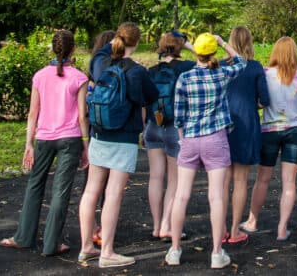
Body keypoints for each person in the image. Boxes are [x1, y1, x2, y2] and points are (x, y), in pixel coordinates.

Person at [0, 30, 89, 257]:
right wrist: (86, 144)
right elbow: (81, 116)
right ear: (73, 49)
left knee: (35, 185)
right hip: (70, 138)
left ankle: (23, 237)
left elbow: (32, 113)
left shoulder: (40, 76)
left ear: (52, 48)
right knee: (61, 190)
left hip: (44, 138)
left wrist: (28, 143)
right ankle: (51, 244)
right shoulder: (79, 78)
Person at [78, 22, 158, 269]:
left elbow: (99, 55)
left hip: (98, 134)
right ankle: (108, 252)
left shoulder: (101, 63)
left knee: (91, 190)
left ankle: (86, 247)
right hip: (123, 137)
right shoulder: (137, 71)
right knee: (113, 193)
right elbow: (151, 96)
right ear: (137, 42)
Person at [165, 33, 246, 270]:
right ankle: (217, 252)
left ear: (196, 53)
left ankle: (174, 249)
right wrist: (223, 43)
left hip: (189, 139)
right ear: (213, 52)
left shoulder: (184, 78)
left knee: (181, 195)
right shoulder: (221, 74)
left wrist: (182, 136)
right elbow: (241, 62)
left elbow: (178, 114)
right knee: (216, 197)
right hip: (215, 139)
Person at [241, 36, 297, 241]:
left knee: (262, 179)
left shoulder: (265, 74)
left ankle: (252, 221)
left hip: (270, 130)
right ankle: (282, 227)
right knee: (289, 182)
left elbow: (261, 100)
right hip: (295, 130)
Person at [144, 31, 196, 241]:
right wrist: (191, 47)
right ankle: (167, 224)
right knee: (175, 180)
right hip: (175, 127)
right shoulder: (186, 67)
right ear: (180, 46)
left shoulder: (150, 71)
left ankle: (156, 226)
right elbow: (212, 63)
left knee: (155, 177)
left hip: (153, 125)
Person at [223, 26, 270, 245]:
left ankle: (220, 227)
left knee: (222, 182)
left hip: (223, 125)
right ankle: (234, 230)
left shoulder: (222, 66)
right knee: (240, 180)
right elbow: (265, 100)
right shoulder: (255, 67)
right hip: (247, 123)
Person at [86, 29, 115, 248]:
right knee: (110, 187)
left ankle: (89, 230)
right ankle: (104, 231)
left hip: (94, 132)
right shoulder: (117, 71)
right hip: (115, 134)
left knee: (92, 185)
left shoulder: (91, 77)